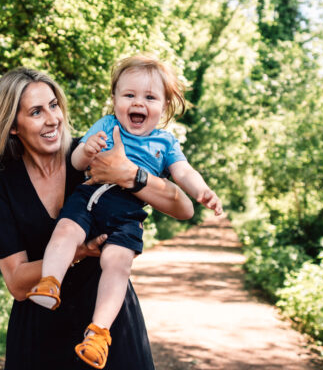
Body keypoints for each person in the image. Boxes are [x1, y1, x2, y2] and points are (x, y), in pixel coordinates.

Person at [0, 67, 194, 370]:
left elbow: (183, 208)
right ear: (13, 126)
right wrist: (81, 251)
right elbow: (17, 283)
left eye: (54, 105)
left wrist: (131, 175)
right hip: (40, 337)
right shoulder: (0, 186)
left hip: (107, 330)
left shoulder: (91, 152)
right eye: (36, 112)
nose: (52, 119)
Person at [26, 55, 222, 369]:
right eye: (129, 95)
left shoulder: (165, 143)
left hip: (127, 215)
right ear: (115, 100)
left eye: (149, 97)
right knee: (65, 231)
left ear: (164, 106)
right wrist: (87, 150)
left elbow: (184, 174)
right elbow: (75, 163)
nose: (138, 103)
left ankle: (99, 333)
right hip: (88, 200)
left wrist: (203, 192)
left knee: (117, 265)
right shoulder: (107, 125)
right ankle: (50, 281)